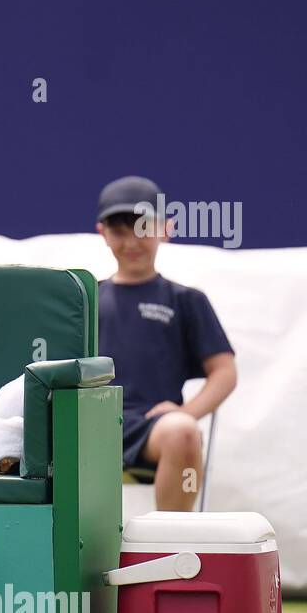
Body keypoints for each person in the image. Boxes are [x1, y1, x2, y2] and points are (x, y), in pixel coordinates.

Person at [95, 176, 237, 511]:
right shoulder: (85, 299)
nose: (132, 241)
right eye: (119, 230)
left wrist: (187, 413)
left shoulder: (186, 300)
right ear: (102, 233)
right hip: (90, 425)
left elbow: (224, 371)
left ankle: (169, 547)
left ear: (165, 228)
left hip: (153, 427)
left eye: (143, 228)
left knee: (184, 432)